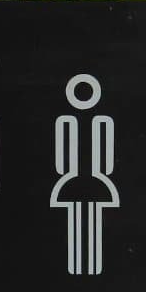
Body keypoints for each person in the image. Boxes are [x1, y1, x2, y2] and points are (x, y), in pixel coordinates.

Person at [50, 74, 119, 275]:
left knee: (87, 224)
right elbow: (63, 159)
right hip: (81, 179)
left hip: (88, 180)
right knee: (81, 225)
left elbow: (105, 159)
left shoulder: (97, 121)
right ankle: (81, 267)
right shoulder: (67, 121)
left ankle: (86, 267)